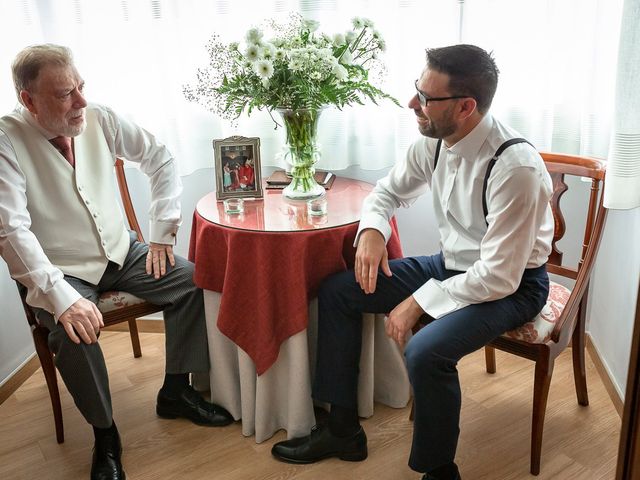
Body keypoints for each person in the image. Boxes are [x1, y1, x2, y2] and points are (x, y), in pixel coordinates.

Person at [270, 44, 553, 480]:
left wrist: (419, 300)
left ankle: (439, 471)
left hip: (514, 287)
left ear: (465, 106)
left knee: (425, 351)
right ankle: (342, 429)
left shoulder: (516, 168)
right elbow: (386, 193)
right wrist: (371, 232)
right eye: (415, 90)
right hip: (452, 266)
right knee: (339, 290)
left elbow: (499, 276)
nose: (412, 104)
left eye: (425, 98)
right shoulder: (437, 140)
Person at [0, 44, 233, 480]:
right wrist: (60, 297)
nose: (81, 102)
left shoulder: (99, 117)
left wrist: (162, 232)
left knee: (194, 282)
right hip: (62, 271)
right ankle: (105, 434)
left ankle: (176, 391)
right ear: (28, 99)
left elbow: (160, 156)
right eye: (66, 93)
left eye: (81, 87)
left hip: (121, 251)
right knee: (74, 334)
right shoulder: (5, 141)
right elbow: (10, 230)